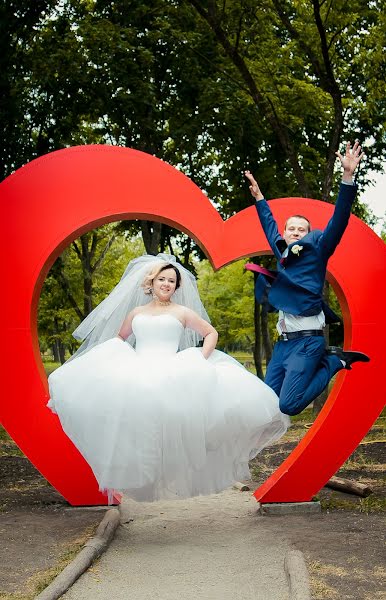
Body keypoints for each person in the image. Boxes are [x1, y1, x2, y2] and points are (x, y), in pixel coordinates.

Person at [48, 253, 290, 503]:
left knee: (177, 422)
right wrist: (116, 356)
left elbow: (210, 333)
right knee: (134, 422)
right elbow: (120, 337)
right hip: (140, 369)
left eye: (171, 281)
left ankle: (174, 469)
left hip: (172, 369)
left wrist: (201, 358)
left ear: (176, 286)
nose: (166, 284)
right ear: (151, 282)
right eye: (162, 279)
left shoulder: (182, 312)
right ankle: (138, 471)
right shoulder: (136, 312)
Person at [244, 141, 370, 417]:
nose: (296, 232)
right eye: (291, 228)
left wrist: (347, 178)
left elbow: (339, 219)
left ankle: (333, 361)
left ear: (308, 234)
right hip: (284, 343)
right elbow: (268, 225)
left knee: (289, 405)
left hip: (308, 341)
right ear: (286, 233)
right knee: (268, 402)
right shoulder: (282, 253)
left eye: (302, 229)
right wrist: (258, 198)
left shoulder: (319, 250)